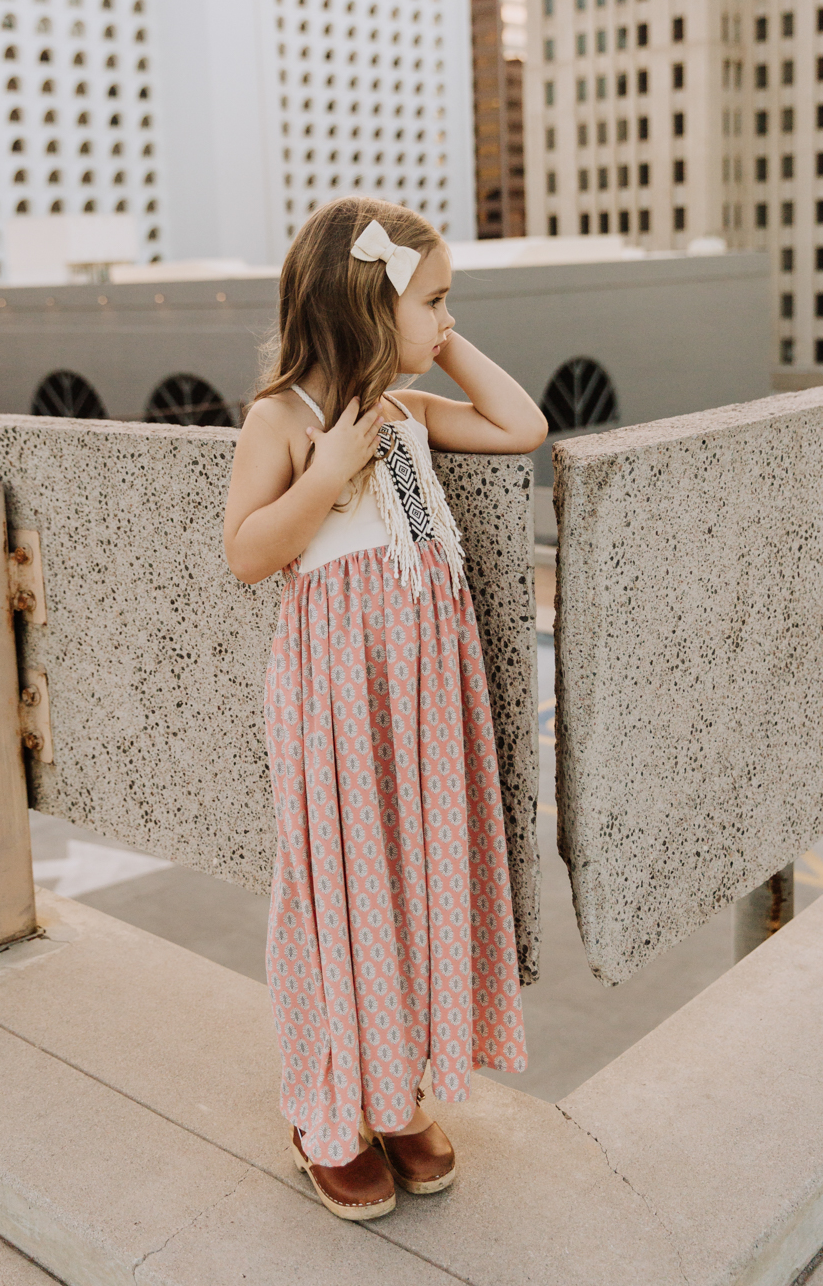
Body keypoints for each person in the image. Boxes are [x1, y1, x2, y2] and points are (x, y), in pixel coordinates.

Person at [224, 197, 548, 1221]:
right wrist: (325, 472)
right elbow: (248, 552)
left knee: (413, 886)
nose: (447, 317)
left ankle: (397, 1086)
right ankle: (330, 1106)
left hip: (425, 703)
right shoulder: (282, 422)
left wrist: (443, 344)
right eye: (436, 301)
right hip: (339, 703)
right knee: (340, 894)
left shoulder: (407, 415)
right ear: (369, 304)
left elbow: (522, 425)